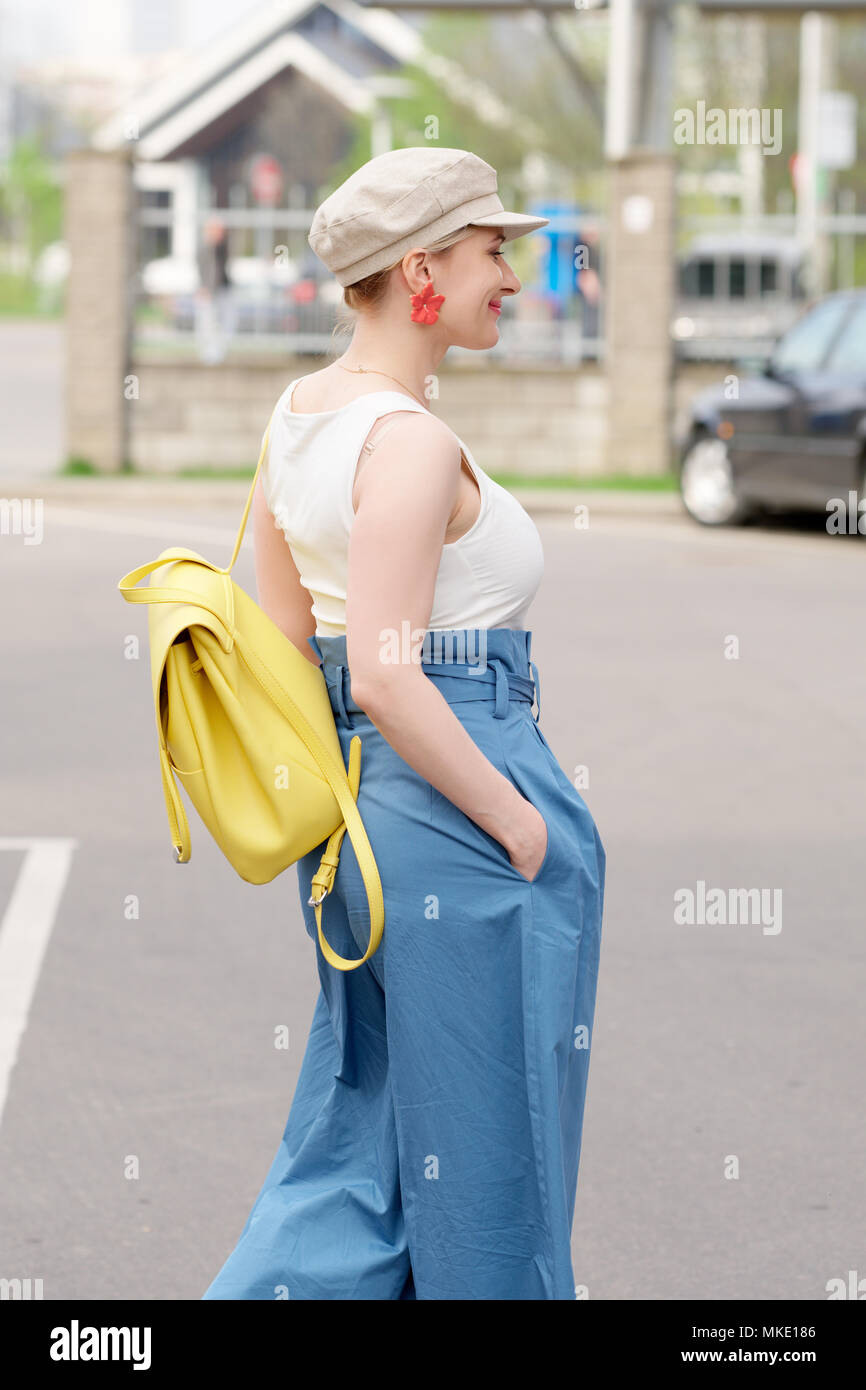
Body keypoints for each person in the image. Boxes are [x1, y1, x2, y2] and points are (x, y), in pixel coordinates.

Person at [201, 146, 606, 1301]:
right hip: (456, 796)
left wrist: (356, 807)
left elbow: (293, 647)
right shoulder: (412, 439)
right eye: (492, 252)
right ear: (421, 269)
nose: (513, 278)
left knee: (362, 1142)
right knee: (492, 1169)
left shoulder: (296, 421)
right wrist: (517, 825)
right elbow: (385, 671)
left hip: (360, 818)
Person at [195, 215, 236, 363]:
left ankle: (220, 353)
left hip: (223, 289)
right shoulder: (205, 247)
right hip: (208, 291)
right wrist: (204, 288)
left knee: (226, 322)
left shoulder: (223, 247)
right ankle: (208, 355)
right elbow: (203, 269)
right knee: (207, 323)